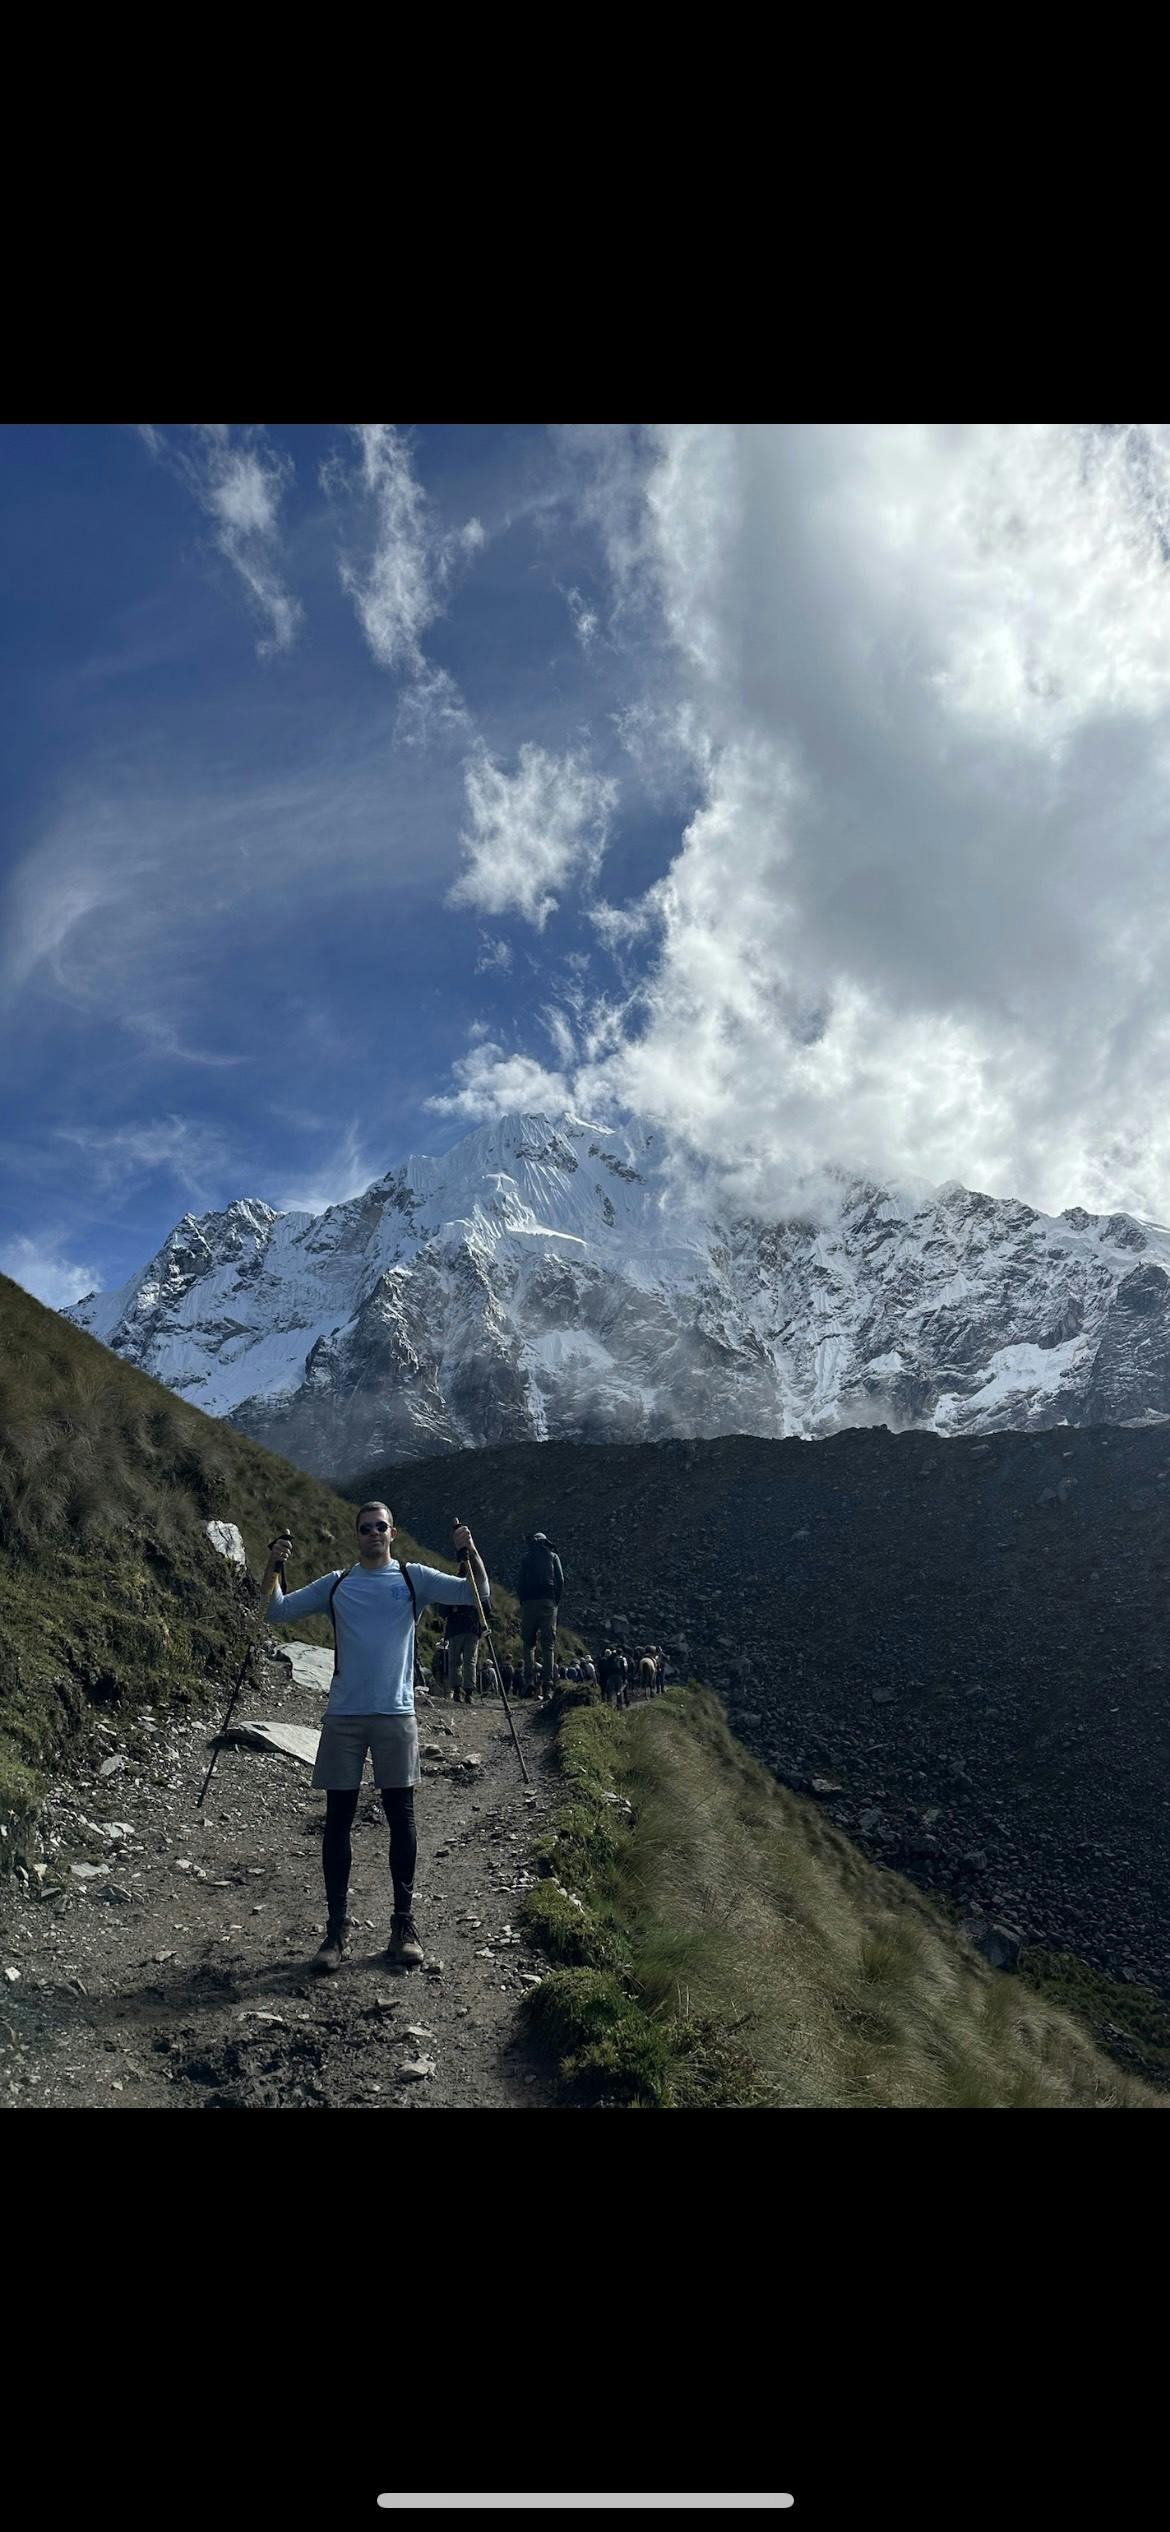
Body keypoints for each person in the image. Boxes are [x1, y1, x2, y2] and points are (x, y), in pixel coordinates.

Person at [259, 1502, 490, 1975]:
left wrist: (471, 1550)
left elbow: (477, 1593)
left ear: (393, 1532)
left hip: (395, 1713)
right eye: (365, 1528)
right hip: (344, 1714)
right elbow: (276, 1611)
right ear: (357, 1535)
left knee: (401, 1817)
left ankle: (403, 1926)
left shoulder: (413, 1578)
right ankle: (336, 1928)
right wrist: (272, 1566)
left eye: (379, 1527)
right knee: (337, 1821)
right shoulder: (337, 1583)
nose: (372, 1534)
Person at [516, 1529, 565, 1702]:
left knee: (528, 1645)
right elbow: (560, 1581)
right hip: (548, 1603)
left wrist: (523, 1601)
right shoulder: (553, 1556)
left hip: (529, 1603)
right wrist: (555, 1601)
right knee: (548, 1647)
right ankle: (548, 1686)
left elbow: (520, 1582)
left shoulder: (526, 1558)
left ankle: (528, 1680)